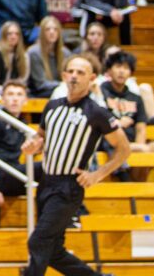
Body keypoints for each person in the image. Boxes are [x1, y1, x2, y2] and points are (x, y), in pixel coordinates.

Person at [21, 54, 129, 276]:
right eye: (71, 71)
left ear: (92, 79)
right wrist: (33, 146)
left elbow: (124, 148)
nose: (74, 76)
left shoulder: (97, 112)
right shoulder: (51, 107)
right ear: (63, 76)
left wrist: (98, 174)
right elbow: (40, 138)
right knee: (53, 251)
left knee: (38, 240)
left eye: (81, 73)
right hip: (46, 182)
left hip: (68, 186)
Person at [102, 50, 154, 181]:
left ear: (131, 73)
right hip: (112, 146)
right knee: (141, 150)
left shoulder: (136, 98)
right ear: (109, 71)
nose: (121, 71)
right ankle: (140, 187)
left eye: (126, 68)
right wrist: (119, 123)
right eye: (118, 67)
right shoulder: (102, 92)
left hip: (135, 145)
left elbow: (141, 128)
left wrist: (140, 148)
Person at [27, 15, 69, 97]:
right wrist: (64, 84)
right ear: (42, 33)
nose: (52, 32)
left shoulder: (65, 52)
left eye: (55, 29)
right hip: (39, 93)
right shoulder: (34, 52)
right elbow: (40, 84)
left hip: (60, 90)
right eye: (48, 29)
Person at [0, 21, 31, 89]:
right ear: (3, 35)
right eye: (9, 34)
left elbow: (23, 79)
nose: (13, 37)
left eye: (16, 34)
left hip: (17, 91)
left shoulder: (24, 55)